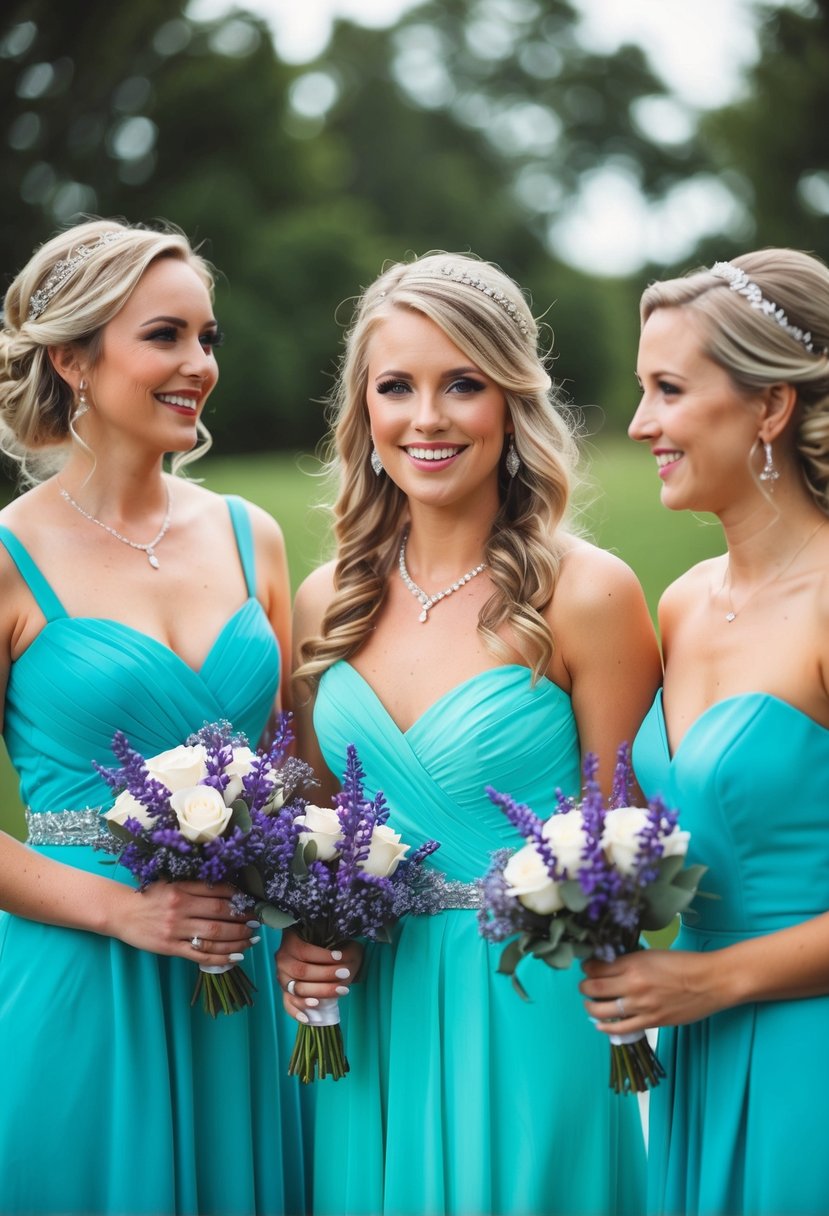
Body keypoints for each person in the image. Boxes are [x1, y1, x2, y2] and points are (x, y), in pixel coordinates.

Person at [277, 252, 662, 1215]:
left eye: (463, 384)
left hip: (532, 1002)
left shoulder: (589, 594)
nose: (428, 418)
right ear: (364, 412)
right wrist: (303, 942)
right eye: (396, 387)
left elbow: (625, 849)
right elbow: (320, 839)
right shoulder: (325, 604)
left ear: (511, 404)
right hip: (371, 1016)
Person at [0, 218, 306, 1215]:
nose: (198, 364)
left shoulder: (248, 535)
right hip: (81, 973)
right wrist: (126, 910)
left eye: (207, 338)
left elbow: (290, 763)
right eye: (164, 336)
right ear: (72, 359)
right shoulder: (8, 557)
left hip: (239, 976)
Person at [580, 248, 829, 1215]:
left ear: (769, 407)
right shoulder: (679, 606)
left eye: (668, 390)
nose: (640, 423)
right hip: (696, 1054)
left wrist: (711, 979)